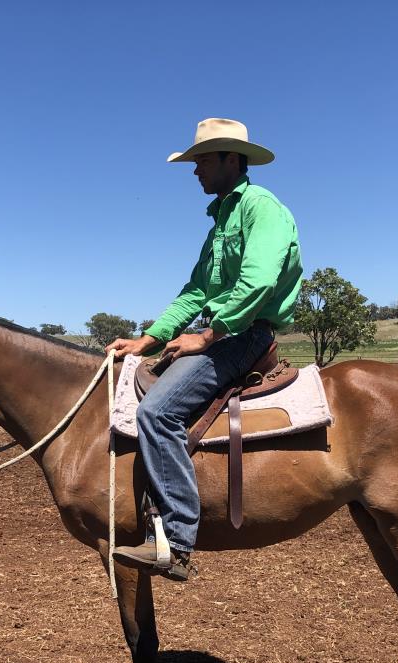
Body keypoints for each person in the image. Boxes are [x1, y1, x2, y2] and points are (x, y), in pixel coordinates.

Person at [106, 118, 303, 582]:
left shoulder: (261, 208)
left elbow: (259, 281)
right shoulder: (219, 223)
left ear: (232, 159)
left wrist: (208, 335)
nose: (195, 170)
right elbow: (195, 292)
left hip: (244, 334)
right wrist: (149, 339)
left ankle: (176, 543)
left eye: (202, 161)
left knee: (157, 412)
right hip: (225, 332)